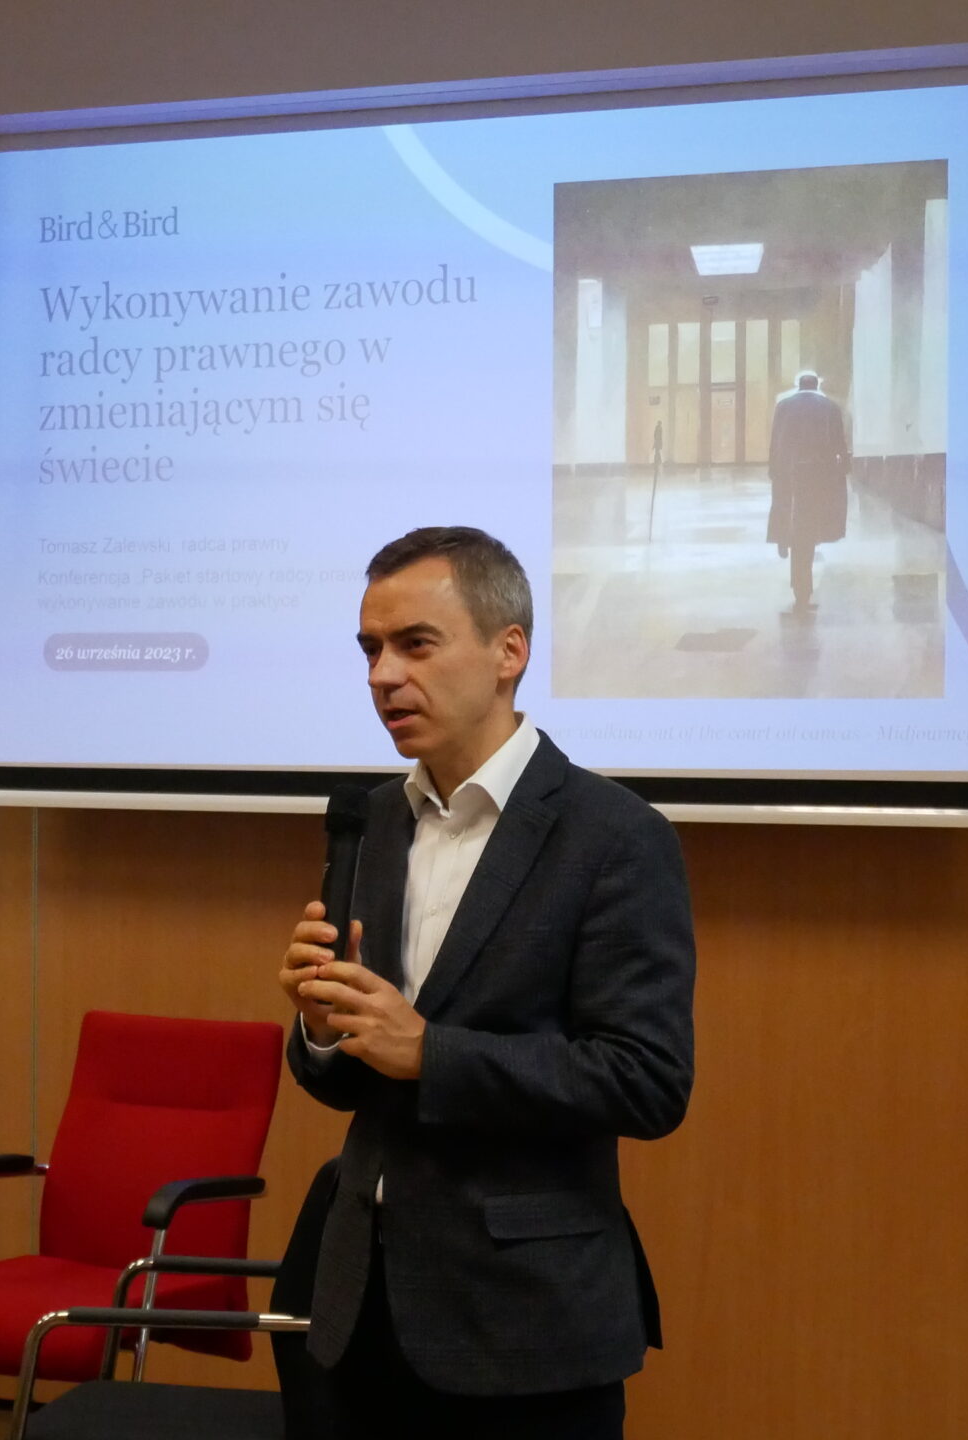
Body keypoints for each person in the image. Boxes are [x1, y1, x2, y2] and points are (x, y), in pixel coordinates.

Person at [275, 526, 695, 1440]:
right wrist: (322, 1029)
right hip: (359, 1309)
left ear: (510, 652)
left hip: (525, 1324)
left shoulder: (615, 837)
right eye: (370, 650)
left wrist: (430, 1053)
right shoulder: (374, 821)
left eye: (416, 644)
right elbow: (352, 1078)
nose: (384, 676)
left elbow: (647, 1079)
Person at [767, 371, 850, 609]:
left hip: (789, 473)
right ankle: (804, 585)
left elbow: (775, 442)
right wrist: (843, 467)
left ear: (798, 386)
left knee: (789, 516)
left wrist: (774, 469)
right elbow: (839, 443)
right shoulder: (830, 407)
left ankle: (785, 541)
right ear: (816, 386)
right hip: (817, 475)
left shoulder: (784, 406)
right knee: (810, 527)